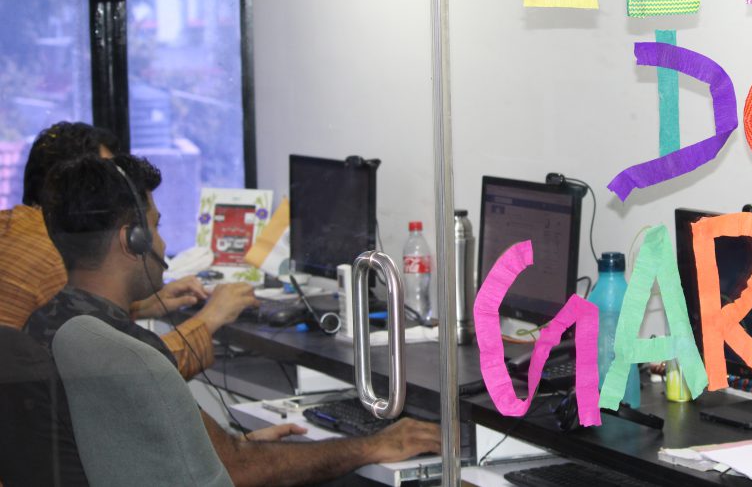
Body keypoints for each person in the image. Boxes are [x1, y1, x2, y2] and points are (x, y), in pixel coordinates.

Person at [27, 153, 442, 486]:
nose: (163, 243)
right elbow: (237, 469)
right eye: (155, 226)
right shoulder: (130, 351)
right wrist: (372, 446)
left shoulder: (47, 325)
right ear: (132, 240)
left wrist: (233, 446)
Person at [0, 121, 256, 379]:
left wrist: (140, 306)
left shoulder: (17, 229)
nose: (123, 186)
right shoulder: (55, 258)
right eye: (108, 175)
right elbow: (132, 376)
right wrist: (210, 318)